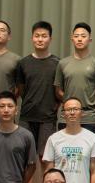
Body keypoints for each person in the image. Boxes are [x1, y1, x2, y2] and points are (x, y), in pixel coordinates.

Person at [42, 97, 95, 183]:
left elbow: (94, 171)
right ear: (63, 114)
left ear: (82, 113)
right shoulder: (53, 139)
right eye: (68, 110)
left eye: (76, 109)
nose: (72, 112)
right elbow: (48, 172)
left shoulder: (92, 138)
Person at [14, 21, 60, 173]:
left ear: (50, 39)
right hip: (26, 117)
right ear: (32, 38)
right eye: (37, 36)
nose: (40, 39)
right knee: (25, 159)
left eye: (44, 36)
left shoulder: (57, 63)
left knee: (46, 159)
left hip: (48, 118)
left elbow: (59, 91)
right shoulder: (23, 63)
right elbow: (21, 90)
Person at [54, 23, 95, 135]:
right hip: (66, 117)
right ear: (72, 39)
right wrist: (71, 106)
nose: (79, 39)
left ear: (90, 39)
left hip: (88, 118)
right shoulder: (62, 63)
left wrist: (89, 105)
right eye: (76, 36)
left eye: (83, 36)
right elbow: (58, 90)